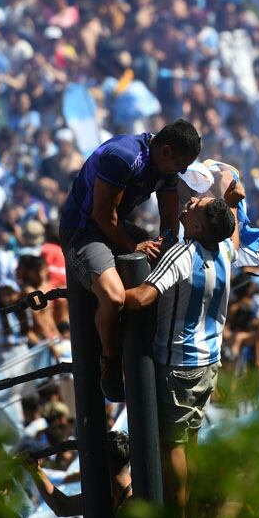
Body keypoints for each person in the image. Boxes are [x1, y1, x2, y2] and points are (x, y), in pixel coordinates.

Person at [121, 187, 239, 518]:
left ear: (200, 227)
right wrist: (232, 202)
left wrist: (102, 293)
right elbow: (231, 228)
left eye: (197, 207)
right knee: (189, 443)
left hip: (177, 365)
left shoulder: (184, 254)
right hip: (208, 363)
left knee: (173, 446)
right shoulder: (224, 249)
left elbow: (141, 298)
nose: (190, 202)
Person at [58, 120, 202, 401]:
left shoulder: (165, 167)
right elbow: (102, 215)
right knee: (113, 299)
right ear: (166, 151)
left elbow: (169, 218)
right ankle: (109, 361)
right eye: (182, 164)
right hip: (84, 231)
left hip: (117, 227)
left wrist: (166, 246)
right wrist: (136, 245)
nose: (183, 171)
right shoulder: (123, 158)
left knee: (168, 275)